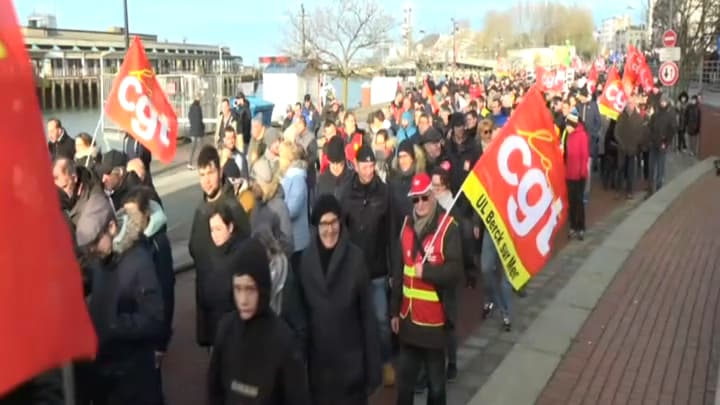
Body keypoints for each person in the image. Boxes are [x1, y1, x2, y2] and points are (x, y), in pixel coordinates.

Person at [284, 194, 382, 405]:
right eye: (324, 224)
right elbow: (297, 321)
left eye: (333, 222)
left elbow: (368, 317)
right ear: (315, 227)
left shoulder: (356, 259)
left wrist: (373, 368)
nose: (330, 229)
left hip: (351, 371)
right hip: (319, 372)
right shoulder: (302, 263)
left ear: (340, 222)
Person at [77, 189, 165, 405]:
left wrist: (116, 324)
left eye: (94, 244)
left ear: (112, 227)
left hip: (135, 379)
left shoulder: (138, 261)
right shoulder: (101, 260)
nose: (91, 252)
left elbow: (155, 317)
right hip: (109, 377)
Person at [207, 237, 312, 405]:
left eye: (250, 289)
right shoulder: (225, 330)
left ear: (262, 288)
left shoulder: (283, 340)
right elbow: (214, 393)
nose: (243, 299)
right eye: (238, 289)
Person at [391, 172, 462, 405]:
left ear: (433, 196)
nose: (420, 204)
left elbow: (455, 272)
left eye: (424, 198)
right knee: (405, 386)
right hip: (408, 321)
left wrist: (428, 272)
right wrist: (394, 311)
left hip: (434, 323)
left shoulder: (448, 227)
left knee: (436, 387)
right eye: (415, 199)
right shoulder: (405, 226)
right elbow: (398, 271)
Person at [189, 145, 251, 348]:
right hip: (207, 303)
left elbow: (246, 255)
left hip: (229, 308)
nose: (206, 180)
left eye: (211, 173)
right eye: (202, 175)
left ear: (220, 171)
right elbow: (194, 248)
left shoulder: (233, 208)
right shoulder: (200, 209)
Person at [564, 112, 590, 240]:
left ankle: (581, 227)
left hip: (579, 175)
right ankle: (572, 225)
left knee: (579, 201)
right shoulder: (568, 136)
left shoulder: (582, 136)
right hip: (569, 173)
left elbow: (584, 156)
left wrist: (581, 172)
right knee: (571, 201)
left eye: (568, 125)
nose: (566, 128)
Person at [188, 94, 205, 170]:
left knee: (193, 148)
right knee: (201, 148)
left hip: (192, 130)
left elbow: (189, 117)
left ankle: (190, 163)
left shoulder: (191, 107)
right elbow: (200, 119)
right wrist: (202, 128)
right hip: (198, 131)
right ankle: (201, 163)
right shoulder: (198, 108)